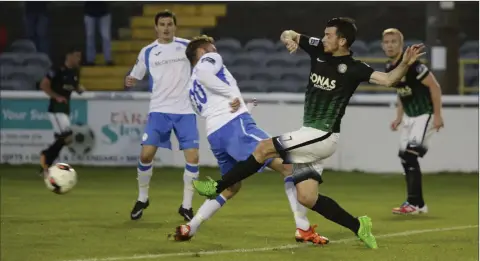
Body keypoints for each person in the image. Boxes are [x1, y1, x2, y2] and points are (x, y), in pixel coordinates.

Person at [193, 17, 426, 249]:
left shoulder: (355, 68)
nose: (324, 38)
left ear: (342, 41)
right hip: (310, 135)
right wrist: (289, 39)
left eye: (329, 35)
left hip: (323, 135)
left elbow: (389, 79)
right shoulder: (318, 49)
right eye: (324, 34)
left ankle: (218, 185)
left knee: (263, 148)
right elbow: (289, 32)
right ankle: (358, 226)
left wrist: (404, 63)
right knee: (306, 197)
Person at [172, 36, 328, 245]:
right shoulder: (207, 61)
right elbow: (206, 75)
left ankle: (190, 227)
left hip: (215, 135)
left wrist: (242, 106)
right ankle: (303, 228)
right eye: (211, 48)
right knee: (291, 166)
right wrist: (232, 95)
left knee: (230, 186)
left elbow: (213, 106)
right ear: (201, 53)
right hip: (235, 126)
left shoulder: (190, 86)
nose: (216, 51)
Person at [125, 11, 200, 222]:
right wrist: (131, 79)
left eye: (169, 24)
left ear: (175, 26)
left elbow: (206, 58)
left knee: (193, 158)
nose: (166, 28)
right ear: (156, 27)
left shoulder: (187, 47)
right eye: (162, 24)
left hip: (185, 111)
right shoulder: (148, 51)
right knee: (145, 156)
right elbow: (136, 74)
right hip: (159, 110)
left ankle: (186, 206)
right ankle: (142, 198)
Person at [382, 28, 444, 215]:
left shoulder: (415, 66)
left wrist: (438, 115)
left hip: (424, 115)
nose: (390, 45)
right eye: (386, 42)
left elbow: (435, 87)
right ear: (382, 45)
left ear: (401, 45)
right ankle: (419, 204)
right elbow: (402, 93)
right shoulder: (389, 67)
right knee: (404, 157)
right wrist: (399, 117)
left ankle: (413, 204)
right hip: (409, 117)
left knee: (410, 156)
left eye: (394, 41)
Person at [39, 47, 84, 176]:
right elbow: (44, 85)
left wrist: (79, 89)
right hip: (56, 109)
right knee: (66, 135)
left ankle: (46, 165)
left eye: (79, 57)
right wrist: (56, 96)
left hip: (65, 109)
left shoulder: (75, 72)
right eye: (76, 56)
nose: (78, 59)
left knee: (63, 139)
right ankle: (46, 155)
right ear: (68, 56)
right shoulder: (57, 70)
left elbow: (74, 86)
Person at [84, 1, 113, 66]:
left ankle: (108, 59)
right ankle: (90, 60)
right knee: (90, 36)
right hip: (89, 11)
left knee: (106, 36)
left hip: (104, 11)